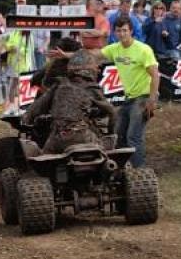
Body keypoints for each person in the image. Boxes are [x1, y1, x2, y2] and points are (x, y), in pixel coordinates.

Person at [55, 18, 159, 167]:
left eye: (125, 30)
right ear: (114, 32)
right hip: (129, 98)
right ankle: (123, 169)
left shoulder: (143, 49)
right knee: (119, 135)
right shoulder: (114, 48)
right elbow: (91, 55)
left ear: (131, 31)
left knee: (133, 136)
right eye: (119, 31)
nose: (122, 34)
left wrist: (152, 99)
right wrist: (66, 56)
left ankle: (138, 170)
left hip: (143, 96)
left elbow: (155, 75)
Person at [22, 53, 116, 153]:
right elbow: (112, 112)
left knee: (42, 163)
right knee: (106, 152)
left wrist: (26, 121)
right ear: (89, 70)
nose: (98, 70)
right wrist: (110, 133)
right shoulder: (92, 88)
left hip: (57, 138)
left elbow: (34, 110)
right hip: (84, 137)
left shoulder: (58, 85)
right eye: (96, 67)